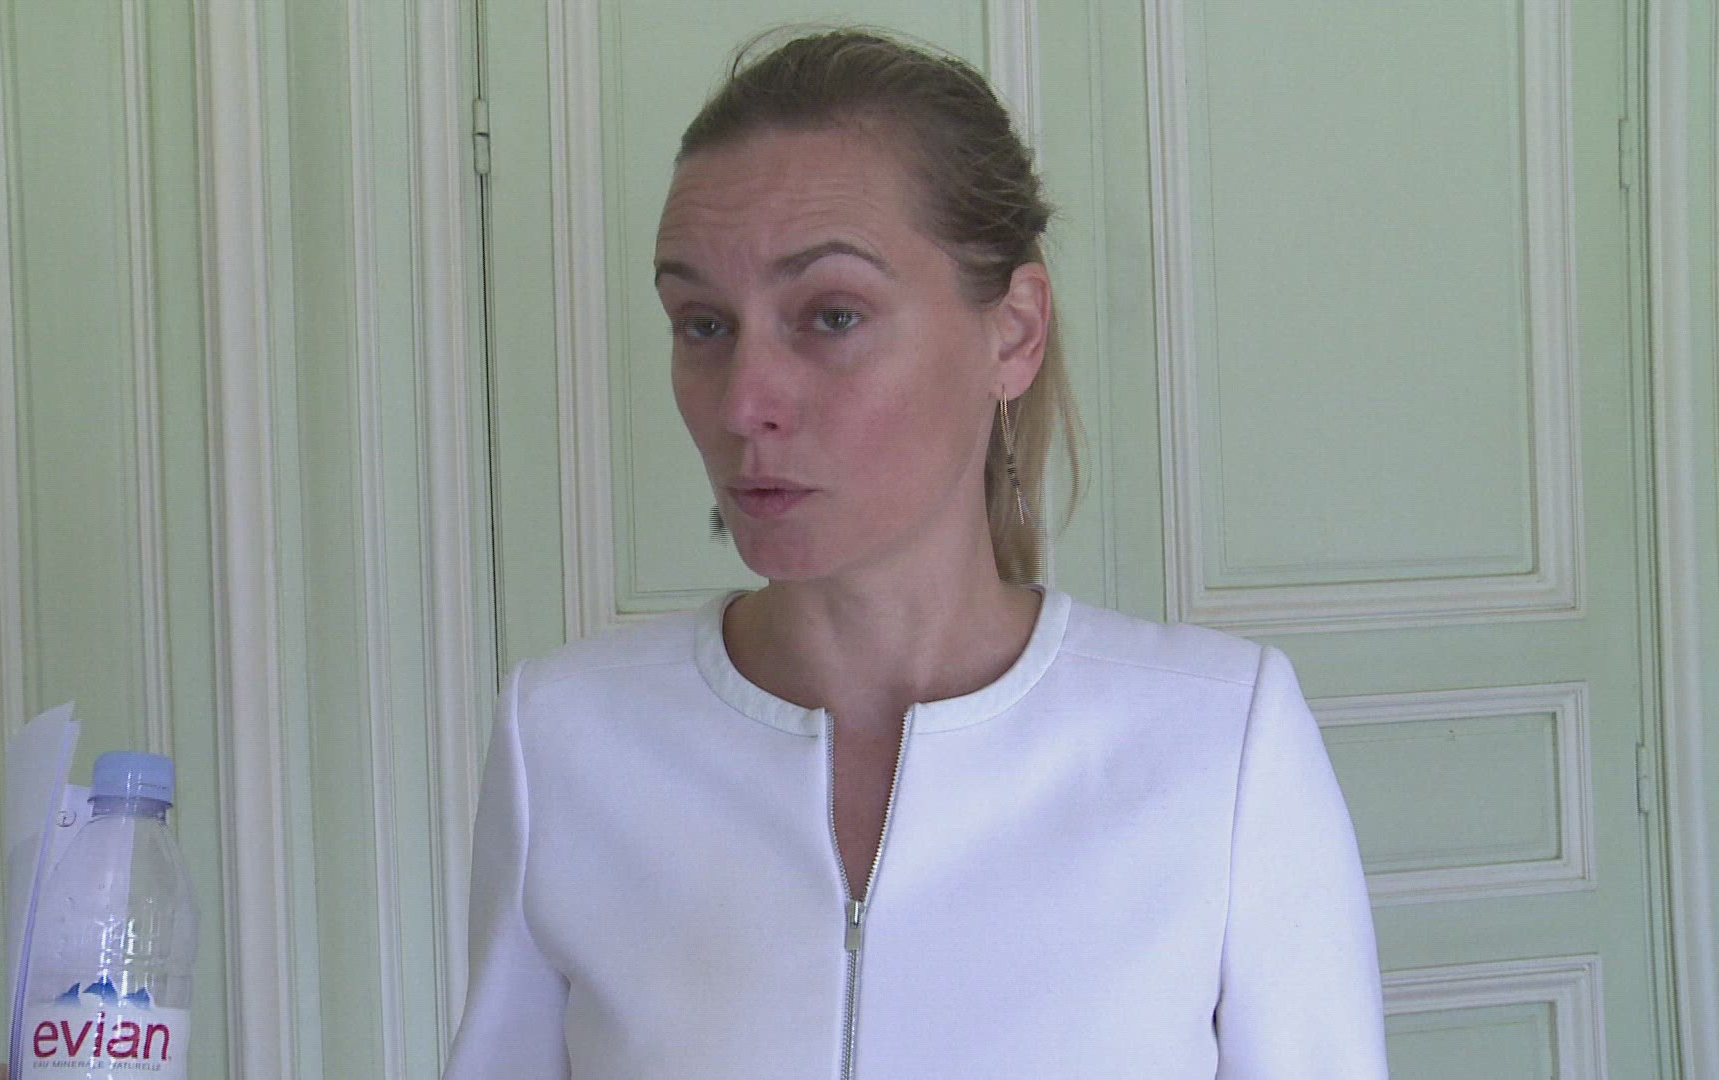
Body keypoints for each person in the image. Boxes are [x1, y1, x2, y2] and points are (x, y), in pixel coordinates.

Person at [443, 27, 1388, 1079]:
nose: (745, 403)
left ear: (1013, 333)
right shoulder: (566, 740)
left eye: (831, 315)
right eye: (702, 324)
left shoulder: (1220, 743)